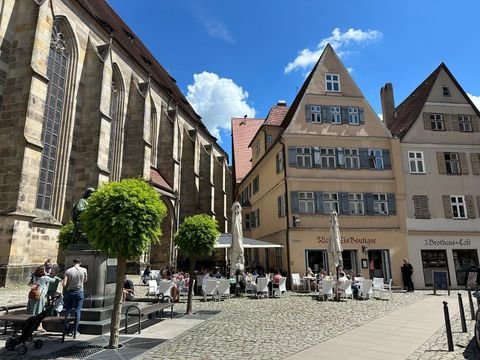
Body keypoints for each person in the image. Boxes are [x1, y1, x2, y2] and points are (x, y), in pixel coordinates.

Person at [27, 266, 60, 331]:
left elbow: (30, 284)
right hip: (40, 295)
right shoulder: (45, 278)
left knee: (32, 310)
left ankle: (31, 325)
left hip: (33, 294)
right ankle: (39, 326)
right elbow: (53, 280)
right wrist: (54, 275)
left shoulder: (34, 276)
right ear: (43, 271)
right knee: (39, 311)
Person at [62, 258, 88, 335]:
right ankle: (75, 330)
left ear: (73, 262)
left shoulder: (68, 271)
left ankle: (66, 330)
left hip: (70, 292)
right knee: (78, 311)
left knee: (68, 310)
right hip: (79, 291)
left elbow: (64, 284)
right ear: (80, 262)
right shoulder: (84, 270)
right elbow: (85, 280)